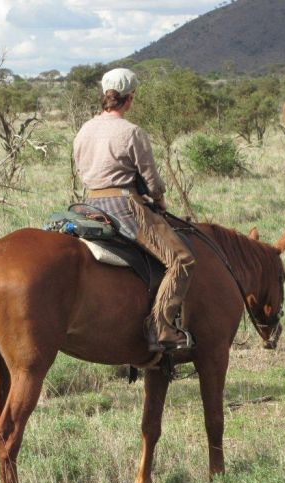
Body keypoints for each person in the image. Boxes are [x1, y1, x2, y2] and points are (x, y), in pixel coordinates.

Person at [73, 68, 195, 353]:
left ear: (105, 96)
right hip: (123, 206)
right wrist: (159, 200)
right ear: (129, 100)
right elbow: (151, 180)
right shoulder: (132, 132)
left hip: (88, 204)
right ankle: (162, 328)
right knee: (183, 261)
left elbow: (82, 170)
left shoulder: (84, 129)